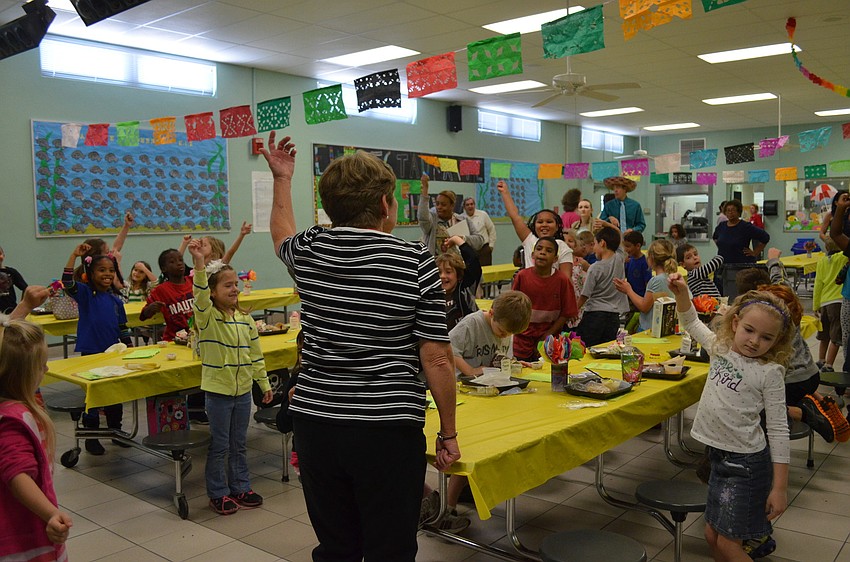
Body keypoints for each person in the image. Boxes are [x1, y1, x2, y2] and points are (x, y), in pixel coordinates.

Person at [264, 132, 460, 561]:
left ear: (332, 208)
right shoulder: (414, 261)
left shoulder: (311, 249)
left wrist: (281, 178)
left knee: (337, 545)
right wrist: (448, 432)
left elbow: (280, 232)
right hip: (387, 427)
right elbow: (437, 357)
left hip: (317, 424)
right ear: (387, 205)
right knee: (390, 546)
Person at [667, 274, 793, 562]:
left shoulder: (770, 372)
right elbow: (691, 322)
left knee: (728, 544)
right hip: (717, 458)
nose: (754, 341)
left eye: (766, 337)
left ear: (777, 341)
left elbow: (777, 429)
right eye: (749, 330)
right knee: (712, 535)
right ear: (735, 323)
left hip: (747, 465)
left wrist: (780, 488)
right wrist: (682, 292)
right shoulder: (720, 349)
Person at [187, 240, 272, 515]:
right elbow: (198, 294)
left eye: (236, 284)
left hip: (243, 392)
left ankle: (241, 487)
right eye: (227, 285)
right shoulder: (207, 317)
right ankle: (218, 492)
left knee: (240, 443)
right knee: (220, 445)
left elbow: (255, 355)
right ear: (212, 292)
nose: (235, 288)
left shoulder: (245, 320)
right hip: (219, 393)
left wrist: (263, 383)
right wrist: (199, 262)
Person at [0, 320, 73, 560]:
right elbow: (18, 475)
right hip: (22, 538)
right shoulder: (11, 422)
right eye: (41, 366)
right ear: (20, 376)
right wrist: (50, 513)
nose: (47, 370)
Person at [62, 244, 132, 456]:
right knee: (93, 395)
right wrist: (74, 255)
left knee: (114, 392)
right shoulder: (85, 294)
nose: (107, 274)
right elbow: (67, 283)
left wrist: (128, 347)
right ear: (90, 273)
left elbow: (122, 327)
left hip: (113, 353)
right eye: (102, 270)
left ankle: (115, 430)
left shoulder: (115, 300)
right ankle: (91, 436)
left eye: (111, 270)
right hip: (92, 353)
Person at [511, 237, 577, 361]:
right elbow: (513, 306)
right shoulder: (522, 276)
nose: (542, 252)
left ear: (555, 258)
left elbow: (566, 313)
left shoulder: (562, 280)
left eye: (549, 250)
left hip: (550, 340)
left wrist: (547, 336)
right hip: (522, 338)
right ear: (532, 254)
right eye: (539, 249)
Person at [497, 181, 572, 278]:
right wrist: (505, 193)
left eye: (549, 222)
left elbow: (566, 278)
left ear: (557, 227)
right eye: (540, 222)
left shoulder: (562, 247)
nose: (544, 225)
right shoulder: (530, 240)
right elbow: (515, 216)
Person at [449, 290, 531, 376]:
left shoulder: (504, 325)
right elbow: (449, 349)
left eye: (510, 334)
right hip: (462, 382)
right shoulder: (472, 323)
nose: (505, 336)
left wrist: (512, 364)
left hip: (488, 380)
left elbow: (498, 356)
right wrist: (470, 371)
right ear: (492, 313)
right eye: (502, 332)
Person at [575, 226, 629, 347]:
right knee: (606, 350)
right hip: (614, 316)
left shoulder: (595, 267)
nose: (593, 249)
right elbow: (619, 236)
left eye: (594, 244)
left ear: (602, 243)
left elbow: (585, 295)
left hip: (594, 315)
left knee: (587, 349)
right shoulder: (619, 258)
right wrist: (606, 224)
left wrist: (574, 310)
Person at [614, 239, 682, 332]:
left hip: (650, 329)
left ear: (651, 258)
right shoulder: (674, 277)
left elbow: (644, 307)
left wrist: (628, 290)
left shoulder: (656, 281)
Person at [418, 175, 484, 257]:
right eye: (437, 204)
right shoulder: (432, 220)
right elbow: (422, 217)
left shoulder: (462, 220)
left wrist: (462, 238)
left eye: (443, 204)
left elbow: (480, 241)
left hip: (458, 266)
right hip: (435, 265)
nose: (439, 207)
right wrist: (425, 190)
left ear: (452, 205)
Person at [140, 249, 193, 342]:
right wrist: (150, 308)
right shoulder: (161, 290)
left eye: (181, 260)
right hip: (174, 340)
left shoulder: (194, 282)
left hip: (198, 337)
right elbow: (143, 316)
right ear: (164, 268)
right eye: (172, 262)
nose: (179, 263)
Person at [812, 238, 847, 372]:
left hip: (824, 302)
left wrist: (816, 305)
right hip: (838, 301)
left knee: (824, 333)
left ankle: (821, 360)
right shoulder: (843, 257)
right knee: (835, 335)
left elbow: (818, 284)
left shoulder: (821, 261)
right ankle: (829, 365)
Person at [436, 253, 478, 331]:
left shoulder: (464, 290)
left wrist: (457, 241)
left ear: (458, 276)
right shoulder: (432, 296)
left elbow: (474, 263)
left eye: (448, 272)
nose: (442, 276)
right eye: (439, 272)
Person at [462, 197, 496, 267]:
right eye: (467, 205)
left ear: (474, 205)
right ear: (464, 207)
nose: (470, 206)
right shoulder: (461, 218)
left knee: (486, 272)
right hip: (469, 250)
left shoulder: (483, 215)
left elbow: (491, 229)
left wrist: (491, 246)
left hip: (484, 249)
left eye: (472, 204)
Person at [622, 231, 651, 299]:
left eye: (628, 246)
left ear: (638, 246)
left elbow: (648, 284)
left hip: (640, 297)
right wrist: (623, 263)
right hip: (630, 296)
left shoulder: (645, 262)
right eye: (625, 246)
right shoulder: (629, 260)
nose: (625, 249)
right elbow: (624, 275)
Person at [0, 246, 28, 315]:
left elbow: (25, 288)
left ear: (3, 255)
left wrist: (22, 306)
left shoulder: (11, 272)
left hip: (11, 312)